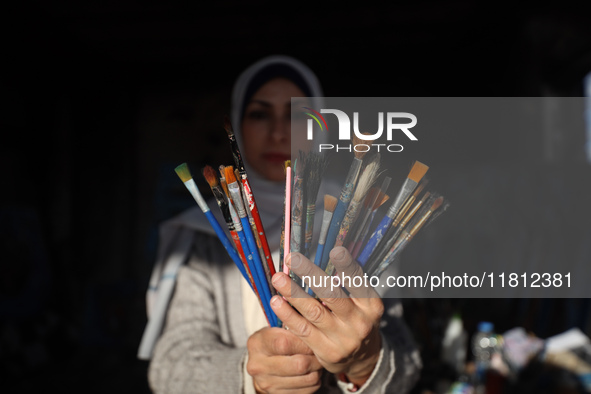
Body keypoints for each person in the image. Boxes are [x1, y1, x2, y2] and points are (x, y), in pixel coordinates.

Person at [143, 55, 421, 393]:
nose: (278, 132)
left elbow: (407, 366)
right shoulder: (203, 236)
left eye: (296, 116)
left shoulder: (360, 229)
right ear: (237, 124)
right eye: (260, 114)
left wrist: (364, 363)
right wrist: (249, 373)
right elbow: (169, 368)